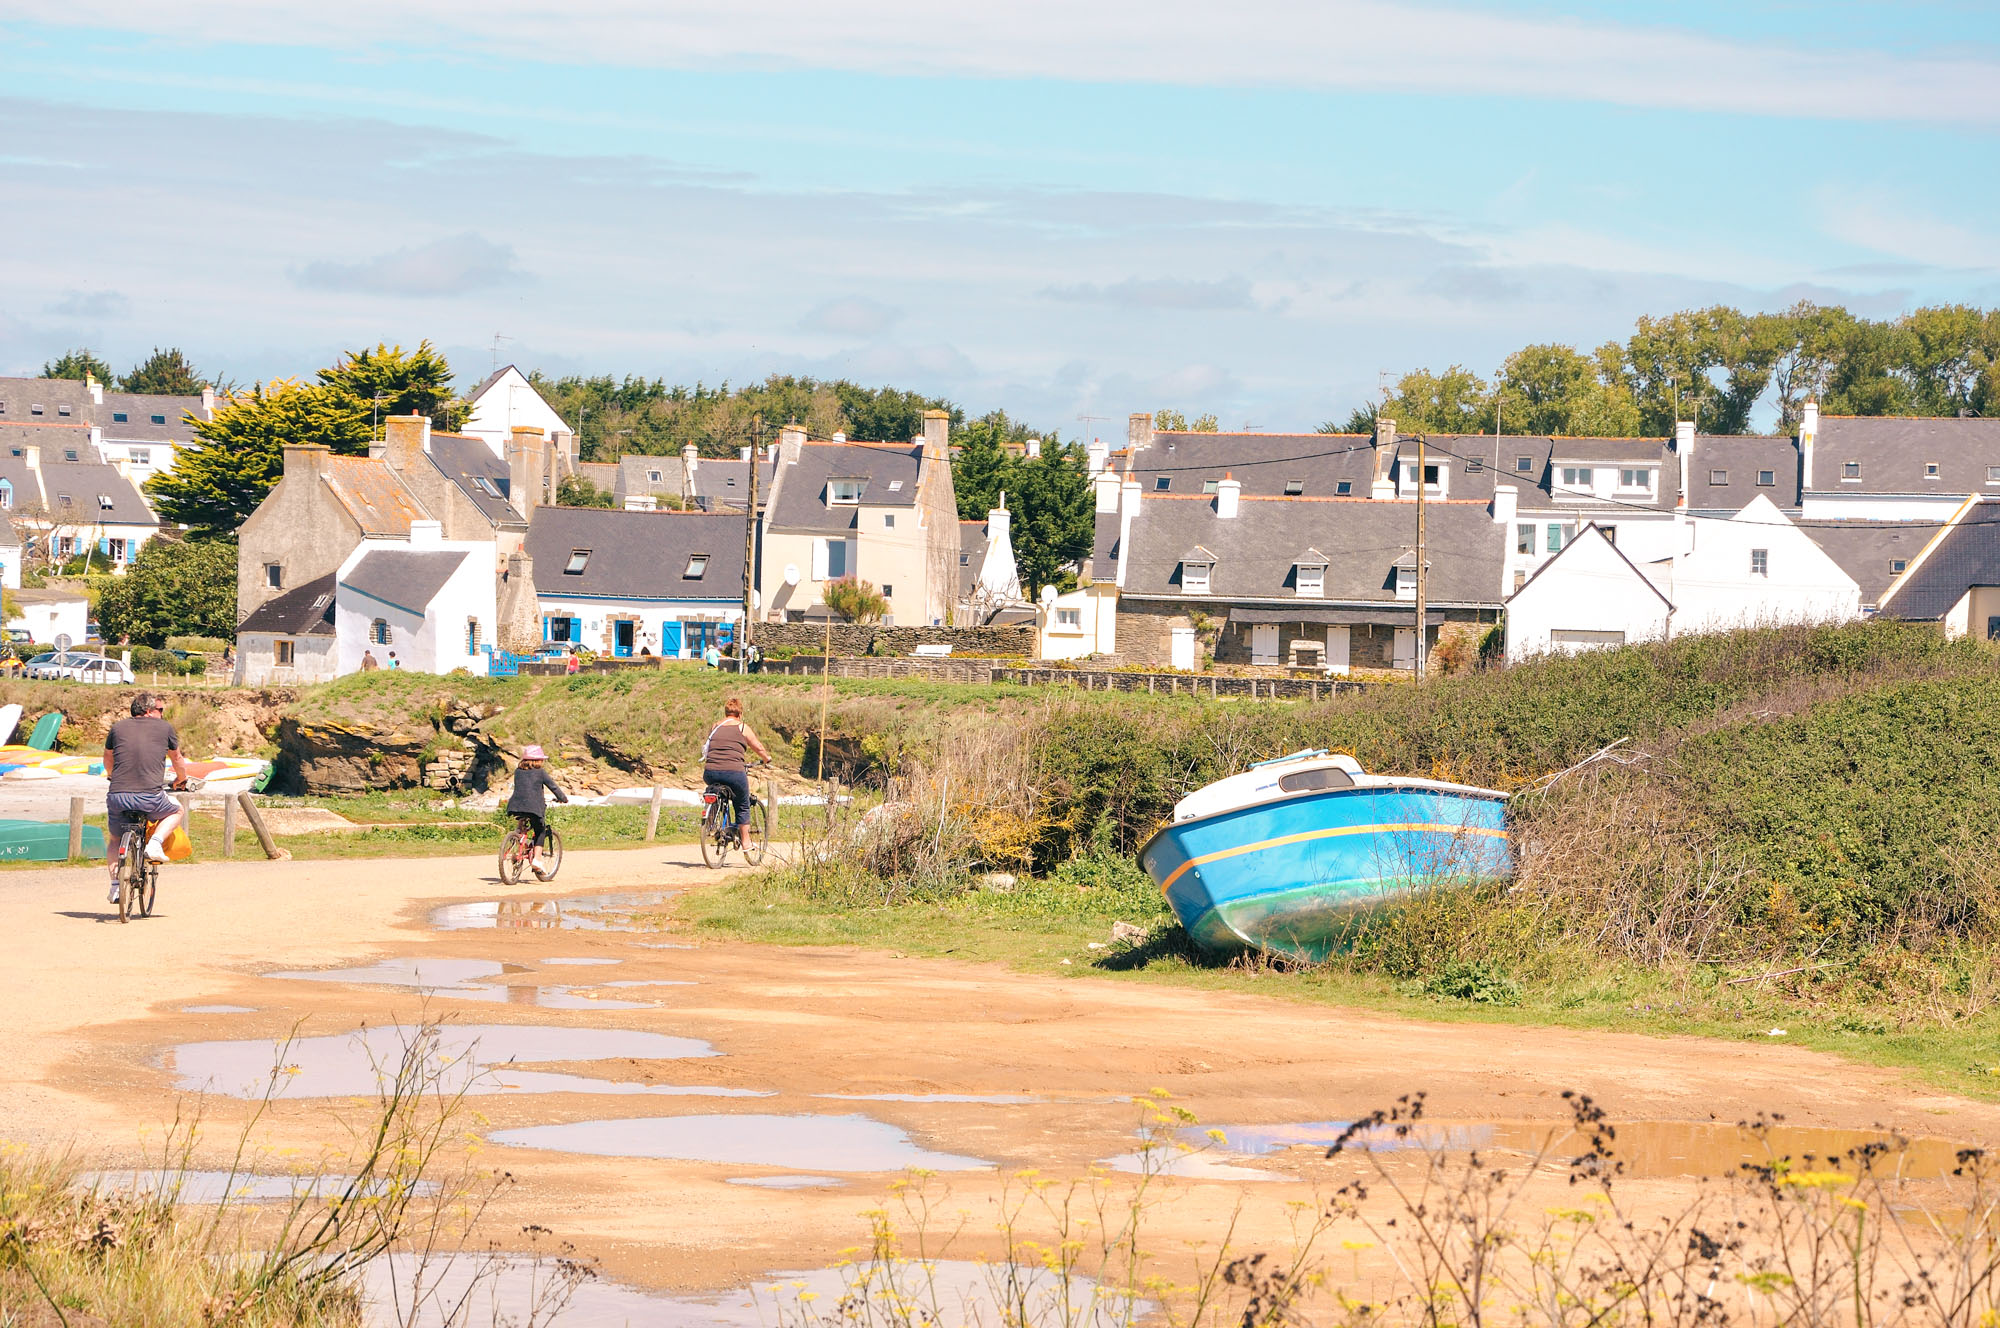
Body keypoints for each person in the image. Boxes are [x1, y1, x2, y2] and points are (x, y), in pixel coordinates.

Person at [103, 692, 190, 904]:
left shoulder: (117, 728)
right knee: (177, 810)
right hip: (150, 796)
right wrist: (182, 779)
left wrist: (112, 776)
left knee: (115, 839)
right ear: (149, 711)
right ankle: (155, 844)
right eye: (160, 710)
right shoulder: (164, 728)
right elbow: (177, 757)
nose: (162, 714)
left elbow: (107, 757)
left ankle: (115, 887)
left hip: (117, 796)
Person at [701, 697, 770, 849]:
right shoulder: (742, 727)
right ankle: (746, 841)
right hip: (733, 772)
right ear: (740, 714)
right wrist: (766, 758)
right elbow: (757, 747)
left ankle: (713, 823)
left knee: (716, 791)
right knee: (742, 803)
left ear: (726, 713)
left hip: (710, 772)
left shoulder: (715, 726)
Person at [506, 744, 569, 870]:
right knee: (540, 831)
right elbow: (553, 787)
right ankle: (537, 859)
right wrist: (563, 798)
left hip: (515, 805)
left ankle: (517, 838)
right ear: (538, 760)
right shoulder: (540, 773)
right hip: (533, 807)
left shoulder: (518, 772)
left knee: (522, 822)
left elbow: (525, 788)